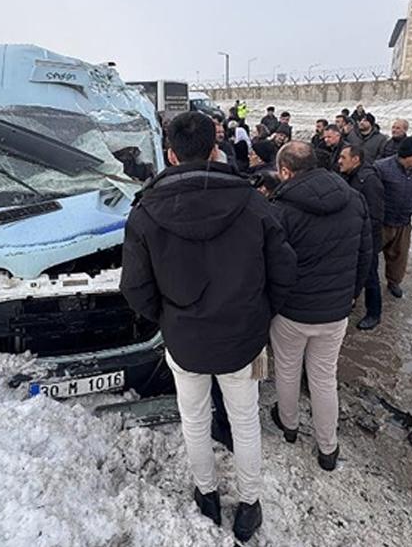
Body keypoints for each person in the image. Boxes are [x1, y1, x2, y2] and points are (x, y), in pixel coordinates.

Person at [121, 111, 296, 542]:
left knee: (194, 419)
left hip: (184, 341)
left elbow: (135, 287)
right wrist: (258, 313)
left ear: (170, 153)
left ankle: (207, 494)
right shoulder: (253, 202)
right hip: (243, 339)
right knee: (244, 420)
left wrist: (167, 317)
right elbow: (284, 272)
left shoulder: (145, 211)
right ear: (215, 149)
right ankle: (250, 503)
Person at [268, 142, 370, 472]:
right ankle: (328, 448)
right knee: (324, 377)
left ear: (285, 171)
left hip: (292, 312)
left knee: (286, 369)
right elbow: (365, 255)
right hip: (335, 311)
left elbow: (271, 265)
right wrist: (351, 295)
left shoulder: (280, 209)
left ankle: (289, 425)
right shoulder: (353, 198)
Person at [374, 136, 412, 299]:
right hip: (383, 221)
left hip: (404, 221)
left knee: (399, 255)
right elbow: (373, 196)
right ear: (409, 155)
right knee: (370, 253)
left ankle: (393, 282)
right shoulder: (381, 167)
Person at [340, 145, 386, 329]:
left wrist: (361, 236)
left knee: (370, 275)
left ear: (356, 159)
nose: (339, 161)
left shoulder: (369, 180)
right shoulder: (349, 175)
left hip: (366, 238)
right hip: (352, 236)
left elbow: (375, 215)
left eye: (343, 157)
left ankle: (374, 313)